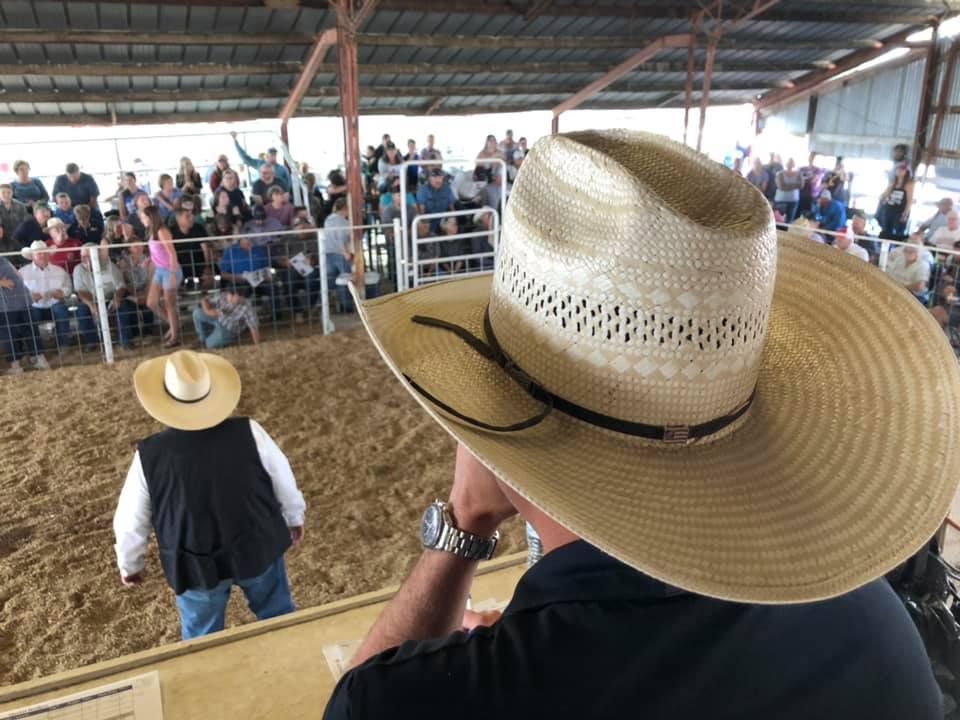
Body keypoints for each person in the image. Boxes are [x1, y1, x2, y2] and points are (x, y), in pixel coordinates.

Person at [324, 130, 944, 720]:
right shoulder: (875, 625)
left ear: (492, 418)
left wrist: (462, 527)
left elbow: (357, 701)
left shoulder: (443, 697)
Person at [113, 350, 305, 639]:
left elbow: (131, 518)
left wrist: (130, 564)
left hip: (194, 560)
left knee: (202, 636)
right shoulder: (249, 431)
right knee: (278, 616)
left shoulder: (149, 455)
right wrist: (293, 516)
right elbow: (282, 477)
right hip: (257, 543)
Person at [73, 242, 137, 349]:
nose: (84, 259)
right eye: (82, 256)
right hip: (91, 300)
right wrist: (92, 305)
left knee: (123, 306)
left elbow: (121, 286)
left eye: (87, 256)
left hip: (110, 298)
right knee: (82, 310)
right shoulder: (78, 269)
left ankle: (125, 341)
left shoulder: (109, 265)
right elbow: (81, 291)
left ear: (96, 254)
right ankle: (92, 342)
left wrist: (117, 298)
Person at [0, 240, 47, 374]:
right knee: (11, 333)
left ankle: (36, 359)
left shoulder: (2, 258)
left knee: (28, 329)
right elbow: (18, 275)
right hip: (5, 303)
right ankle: (18, 364)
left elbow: (18, 275)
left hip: (19, 298)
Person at [19, 240, 74, 351]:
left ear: (48, 254)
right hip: (34, 306)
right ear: (32, 256)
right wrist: (29, 297)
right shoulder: (22, 272)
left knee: (61, 310)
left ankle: (63, 346)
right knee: (29, 317)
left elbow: (68, 287)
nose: (42, 255)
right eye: (38, 253)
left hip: (55, 303)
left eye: (44, 252)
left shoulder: (59, 271)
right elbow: (18, 292)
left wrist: (62, 293)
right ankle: (36, 350)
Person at [141, 205, 181, 348]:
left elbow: (172, 253)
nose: (142, 219)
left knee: (169, 305)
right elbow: (159, 252)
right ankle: (173, 325)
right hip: (160, 270)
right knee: (151, 303)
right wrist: (150, 259)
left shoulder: (162, 231)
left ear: (151, 218)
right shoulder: (152, 232)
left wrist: (171, 273)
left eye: (144, 217)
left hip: (170, 270)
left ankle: (174, 336)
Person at [192, 289, 260, 349]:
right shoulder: (222, 295)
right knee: (197, 313)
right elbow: (204, 300)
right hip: (217, 317)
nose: (236, 297)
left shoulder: (248, 308)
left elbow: (253, 328)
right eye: (230, 294)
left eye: (239, 296)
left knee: (209, 345)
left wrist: (257, 345)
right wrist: (208, 311)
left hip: (228, 329)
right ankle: (202, 339)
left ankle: (208, 342)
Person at [323, 197, 353, 312]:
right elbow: (339, 238)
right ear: (346, 208)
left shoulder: (328, 219)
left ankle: (326, 305)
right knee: (345, 279)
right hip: (339, 254)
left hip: (327, 253)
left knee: (331, 281)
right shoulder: (343, 222)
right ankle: (347, 307)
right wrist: (345, 252)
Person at [169, 207, 211, 283]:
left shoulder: (199, 228)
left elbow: (205, 249)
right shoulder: (171, 231)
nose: (192, 218)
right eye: (187, 216)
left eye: (192, 215)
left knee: (209, 278)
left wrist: (206, 266)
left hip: (199, 264)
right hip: (180, 266)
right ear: (178, 218)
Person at [886, 238, 931, 304]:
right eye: (906, 250)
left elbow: (920, 286)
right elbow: (889, 273)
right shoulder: (900, 259)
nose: (907, 253)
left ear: (918, 253)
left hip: (913, 295)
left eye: (911, 251)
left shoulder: (923, 265)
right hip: (895, 290)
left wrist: (902, 288)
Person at [878, 163, 914, 239]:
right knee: (886, 232)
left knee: (899, 233)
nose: (900, 171)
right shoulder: (893, 183)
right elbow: (884, 195)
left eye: (902, 169)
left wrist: (905, 213)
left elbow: (909, 200)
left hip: (900, 211)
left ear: (906, 171)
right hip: (889, 210)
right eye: (899, 169)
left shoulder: (909, 184)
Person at [774, 158, 802, 224]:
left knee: (789, 222)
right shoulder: (780, 173)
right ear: (786, 164)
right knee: (778, 221)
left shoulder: (798, 173)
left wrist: (786, 185)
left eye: (792, 162)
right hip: (781, 200)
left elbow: (801, 186)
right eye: (789, 162)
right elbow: (781, 187)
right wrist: (795, 185)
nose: (790, 164)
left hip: (793, 201)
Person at [798, 151, 823, 216]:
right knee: (798, 213)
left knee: (808, 214)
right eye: (811, 156)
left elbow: (813, 180)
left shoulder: (818, 170)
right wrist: (806, 178)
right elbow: (798, 179)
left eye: (814, 157)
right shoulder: (802, 168)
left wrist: (803, 178)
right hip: (801, 194)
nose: (812, 158)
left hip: (812, 195)